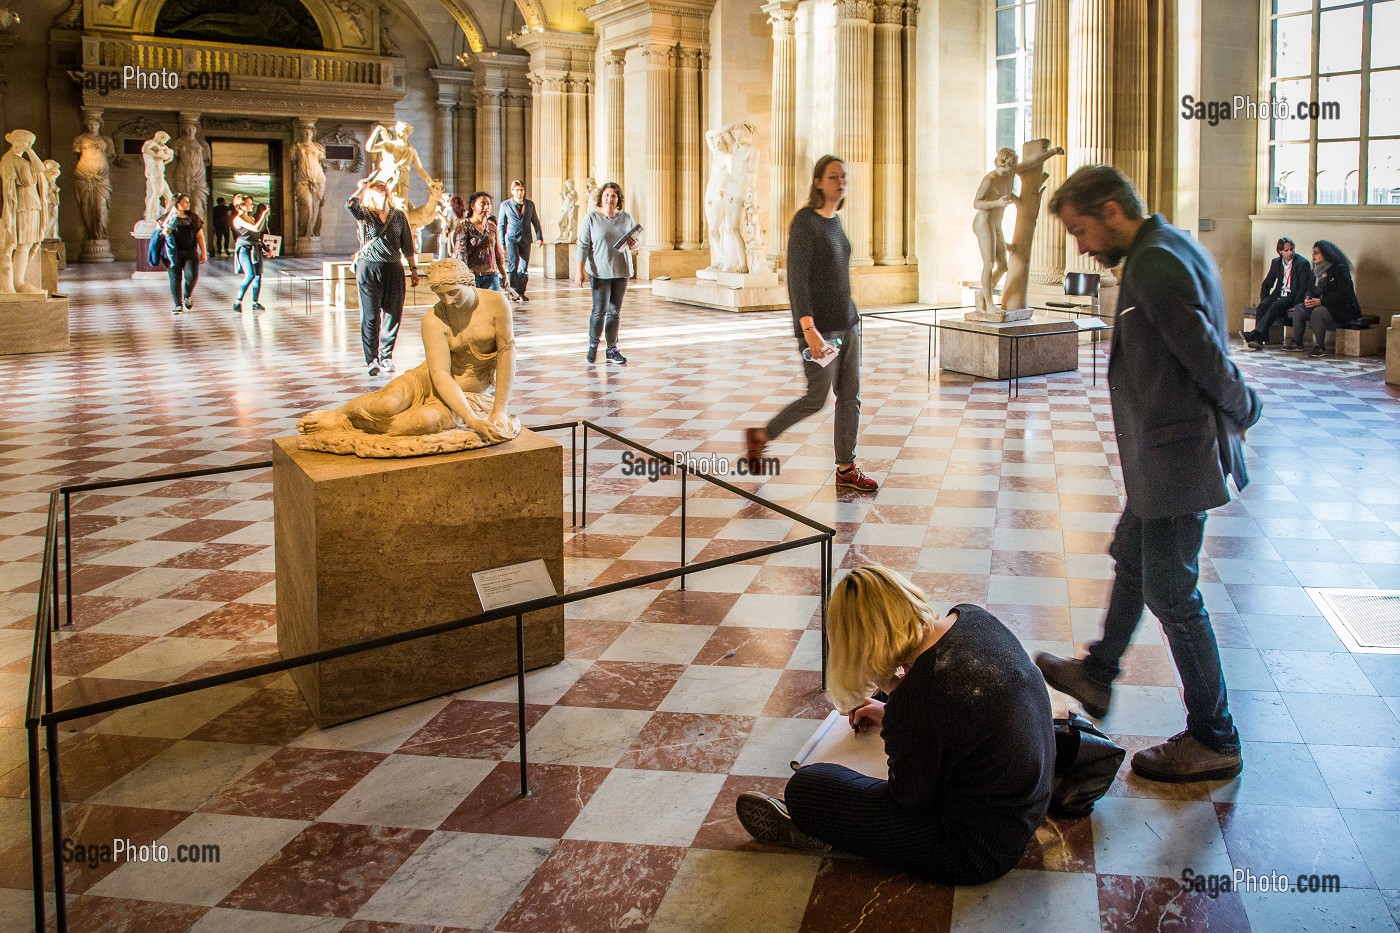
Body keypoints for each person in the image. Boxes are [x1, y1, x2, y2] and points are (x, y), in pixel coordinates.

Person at [1036, 164, 1262, 783]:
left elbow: (1206, 356)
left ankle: (1215, 737)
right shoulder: (1169, 245)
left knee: (1174, 595)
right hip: (1162, 456)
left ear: (1113, 210)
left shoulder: (1157, 262)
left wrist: (1247, 408)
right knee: (1132, 559)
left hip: (1176, 458)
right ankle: (1098, 673)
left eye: (1082, 230)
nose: (1081, 246)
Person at [734, 566, 1055, 883]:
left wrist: (897, 717)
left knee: (807, 787)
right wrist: (892, 711)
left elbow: (911, 799)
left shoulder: (917, 701)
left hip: (979, 850)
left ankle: (812, 824)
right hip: (1034, 797)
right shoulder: (974, 617)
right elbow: (956, 716)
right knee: (891, 702)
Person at [744, 156, 878, 492]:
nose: (840, 181)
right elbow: (797, 281)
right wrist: (808, 328)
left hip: (848, 323)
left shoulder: (834, 221)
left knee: (850, 396)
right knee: (816, 398)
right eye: (833, 176)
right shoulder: (805, 223)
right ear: (818, 182)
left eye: (843, 176)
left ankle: (846, 467)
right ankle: (761, 435)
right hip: (820, 331)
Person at [296, 257, 517, 450]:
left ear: (470, 283)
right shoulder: (434, 319)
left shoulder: (496, 304)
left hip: (470, 395)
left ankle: (357, 425)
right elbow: (440, 374)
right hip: (427, 379)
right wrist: (470, 419)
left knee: (417, 424)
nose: (448, 301)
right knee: (386, 404)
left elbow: (507, 355)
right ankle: (339, 414)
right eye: (441, 296)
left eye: (453, 292)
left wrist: (499, 411)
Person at [347, 177, 419, 376]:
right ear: (370, 193)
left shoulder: (398, 216)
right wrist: (361, 188)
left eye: (383, 188)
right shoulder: (365, 214)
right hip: (369, 268)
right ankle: (371, 360)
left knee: (392, 314)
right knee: (370, 316)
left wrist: (413, 269)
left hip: (393, 268)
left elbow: (407, 244)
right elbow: (350, 205)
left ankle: (386, 356)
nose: (381, 191)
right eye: (376, 189)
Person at [574, 182, 637, 365]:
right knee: (599, 310)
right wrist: (579, 270)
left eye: (614, 196)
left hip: (621, 270)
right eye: (607, 195)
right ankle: (593, 344)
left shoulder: (626, 218)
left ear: (619, 199)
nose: (610, 199)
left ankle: (612, 348)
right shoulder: (592, 218)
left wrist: (634, 244)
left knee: (614, 312)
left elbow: (634, 242)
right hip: (599, 271)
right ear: (601, 197)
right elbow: (583, 245)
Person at [1284, 240, 1361, 358]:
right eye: (1313, 253)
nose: (1313, 256)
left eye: (1316, 253)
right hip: (1320, 303)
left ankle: (1319, 345)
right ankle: (1297, 342)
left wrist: (1322, 301)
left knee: (1317, 312)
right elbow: (1309, 289)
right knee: (1298, 309)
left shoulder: (1340, 269)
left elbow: (1344, 292)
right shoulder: (1315, 270)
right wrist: (1308, 298)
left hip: (1340, 307)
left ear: (1326, 254)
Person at [1243, 237, 1311, 350]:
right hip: (1279, 293)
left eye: (1292, 249)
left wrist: (1296, 305)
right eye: (1286, 250)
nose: (1290, 252)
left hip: (1292, 296)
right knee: (1262, 306)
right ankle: (1259, 339)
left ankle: (1255, 334)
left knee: (1276, 305)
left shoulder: (1302, 263)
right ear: (1280, 251)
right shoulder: (1276, 262)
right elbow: (1267, 283)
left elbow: (1303, 287)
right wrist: (1264, 299)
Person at [451, 191, 508, 292]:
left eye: (488, 204)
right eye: (483, 204)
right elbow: (460, 254)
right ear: (472, 206)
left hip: (491, 277)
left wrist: (504, 274)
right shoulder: (464, 226)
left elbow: (497, 252)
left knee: (492, 306)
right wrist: (464, 278)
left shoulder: (492, 227)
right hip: (472, 277)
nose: (486, 207)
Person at [160, 193, 206, 314]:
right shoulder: (166, 218)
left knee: (192, 277)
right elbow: (158, 234)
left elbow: (200, 236)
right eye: (185, 201)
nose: (188, 204)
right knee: (175, 278)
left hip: (190, 251)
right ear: (177, 203)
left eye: (188, 201)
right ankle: (177, 304)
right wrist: (164, 232)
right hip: (172, 253)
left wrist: (203, 252)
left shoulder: (193, 218)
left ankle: (187, 294)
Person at [499, 180, 544, 300]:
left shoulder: (530, 204)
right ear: (512, 191)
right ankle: (513, 292)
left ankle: (521, 291)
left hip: (526, 238)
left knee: (524, 267)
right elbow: (501, 225)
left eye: (521, 190)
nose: (519, 192)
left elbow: (535, 221)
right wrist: (501, 242)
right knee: (513, 265)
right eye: (517, 190)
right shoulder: (505, 205)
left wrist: (539, 237)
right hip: (512, 239)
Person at [231, 193, 269, 313]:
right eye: (249, 203)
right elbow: (256, 228)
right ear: (241, 205)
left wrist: (266, 249)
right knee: (250, 275)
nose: (252, 205)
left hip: (255, 248)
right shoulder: (237, 219)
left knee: (258, 276)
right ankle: (238, 301)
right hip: (245, 249)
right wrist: (263, 215)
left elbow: (257, 236)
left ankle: (255, 302)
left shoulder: (251, 218)